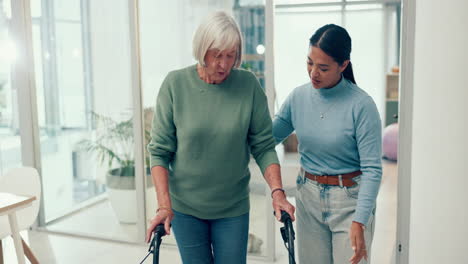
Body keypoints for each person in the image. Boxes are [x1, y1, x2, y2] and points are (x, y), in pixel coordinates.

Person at [145, 11, 295, 264]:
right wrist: (163, 205)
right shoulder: (175, 84)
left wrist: (278, 192)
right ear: (202, 50)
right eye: (217, 55)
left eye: (230, 55)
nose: (224, 64)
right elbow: (159, 151)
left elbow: (264, 146)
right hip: (186, 209)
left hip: (232, 209)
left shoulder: (248, 86)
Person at [273, 24, 382, 264]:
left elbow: (373, 170)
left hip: (350, 202)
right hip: (308, 197)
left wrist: (360, 220)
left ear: (343, 65)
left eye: (323, 68)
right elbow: (267, 137)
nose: (313, 73)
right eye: (310, 62)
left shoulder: (362, 106)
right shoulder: (298, 97)